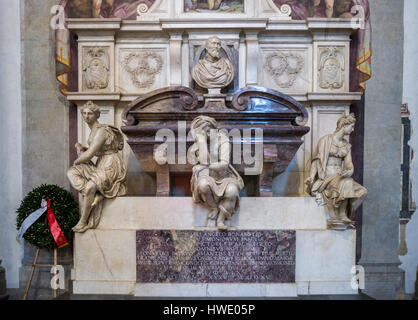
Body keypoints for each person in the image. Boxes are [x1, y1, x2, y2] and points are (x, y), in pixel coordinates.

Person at [67, 101, 127, 233]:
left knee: (89, 185)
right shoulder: (93, 130)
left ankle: (83, 221)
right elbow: (96, 150)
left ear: (96, 115)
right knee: (72, 173)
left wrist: (77, 160)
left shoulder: (101, 131)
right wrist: (84, 148)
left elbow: (90, 154)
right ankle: (96, 194)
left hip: (111, 164)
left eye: (90, 113)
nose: (86, 116)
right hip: (102, 162)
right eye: (84, 113)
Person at [305, 113, 367, 229]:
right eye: (351, 126)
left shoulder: (347, 146)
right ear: (344, 125)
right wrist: (312, 177)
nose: (353, 129)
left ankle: (346, 213)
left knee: (362, 192)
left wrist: (349, 171)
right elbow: (316, 161)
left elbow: (349, 166)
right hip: (326, 178)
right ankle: (341, 214)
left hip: (340, 177)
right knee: (347, 183)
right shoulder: (325, 140)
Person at [188, 116, 244, 231]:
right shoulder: (199, 142)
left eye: (208, 131)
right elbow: (204, 160)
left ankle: (220, 219)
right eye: (203, 132)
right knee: (203, 185)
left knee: (232, 192)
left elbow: (224, 164)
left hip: (225, 177)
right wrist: (202, 141)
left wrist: (204, 166)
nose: (207, 134)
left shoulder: (223, 140)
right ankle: (214, 208)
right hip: (207, 177)